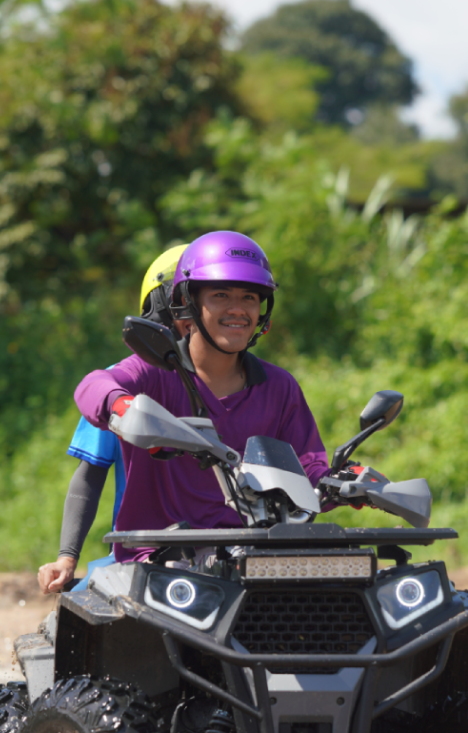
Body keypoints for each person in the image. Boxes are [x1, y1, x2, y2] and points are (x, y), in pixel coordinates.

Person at [73, 230, 327, 562]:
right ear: (188, 303)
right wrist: (124, 407)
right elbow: (93, 385)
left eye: (250, 297)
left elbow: (310, 470)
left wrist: (352, 483)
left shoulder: (279, 387)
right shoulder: (154, 372)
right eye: (221, 295)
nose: (238, 309)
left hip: (253, 560)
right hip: (157, 561)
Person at [37, 245, 188, 595]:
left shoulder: (248, 388)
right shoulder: (120, 384)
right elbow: (91, 473)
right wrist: (66, 557)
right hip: (141, 555)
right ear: (164, 306)